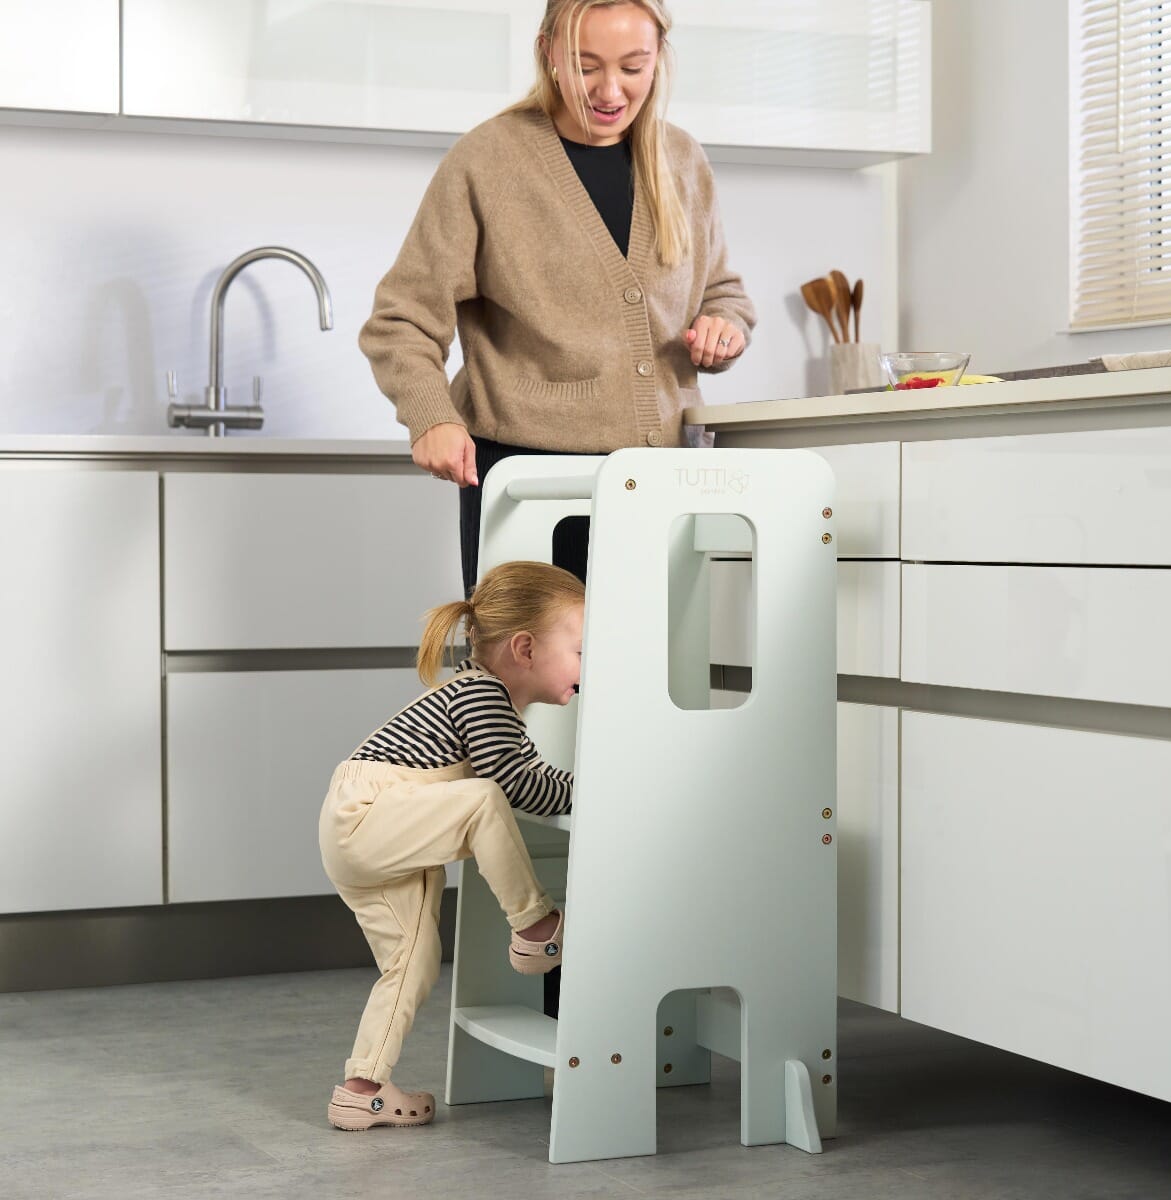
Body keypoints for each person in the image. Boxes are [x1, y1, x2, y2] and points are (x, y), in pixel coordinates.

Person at [360, 0, 756, 593]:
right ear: (548, 52)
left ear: (659, 60)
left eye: (633, 66)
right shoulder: (487, 161)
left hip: (664, 481)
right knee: (534, 681)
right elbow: (401, 320)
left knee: (655, 679)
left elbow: (721, 290)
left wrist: (724, 327)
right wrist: (431, 416)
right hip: (530, 479)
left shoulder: (682, 161)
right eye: (585, 64)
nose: (610, 90)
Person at [318, 561, 584, 1131]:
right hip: (370, 814)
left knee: (411, 963)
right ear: (525, 649)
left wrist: (578, 790)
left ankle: (361, 1088)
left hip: (383, 825)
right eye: (581, 651)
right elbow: (514, 785)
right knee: (482, 798)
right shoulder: (481, 694)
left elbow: (528, 772)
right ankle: (535, 926)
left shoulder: (492, 705)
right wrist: (594, 792)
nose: (587, 667)